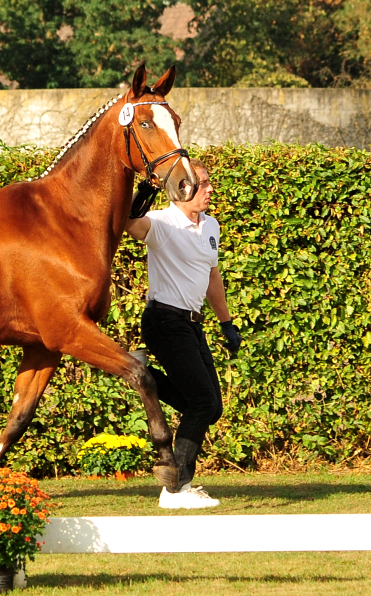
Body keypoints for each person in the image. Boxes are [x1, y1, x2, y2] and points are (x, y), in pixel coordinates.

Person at [124, 158, 242, 509]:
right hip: (164, 321)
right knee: (202, 402)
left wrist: (226, 322)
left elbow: (212, 276)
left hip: (192, 323)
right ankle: (176, 489)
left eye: (208, 183)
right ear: (182, 188)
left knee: (210, 406)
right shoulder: (161, 222)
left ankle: (144, 376)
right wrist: (142, 192)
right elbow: (127, 222)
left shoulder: (211, 227)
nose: (209, 189)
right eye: (202, 183)